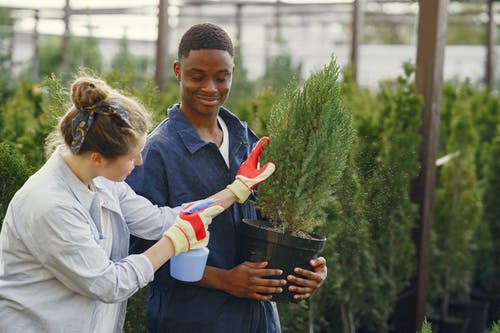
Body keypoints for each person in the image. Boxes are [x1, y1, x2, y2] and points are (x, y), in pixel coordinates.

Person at [0, 75, 275, 333]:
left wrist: (235, 190)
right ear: (97, 157)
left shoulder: (101, 181)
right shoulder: (50, 205)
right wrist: (172, 243)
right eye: (132, 157)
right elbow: (109, 283)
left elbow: (160, 220)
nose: (140, 162)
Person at [126, 22, 327, 332]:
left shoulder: (248, 141)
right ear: (178, 70)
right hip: (191, 321)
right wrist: (227, 281)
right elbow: (139, 253)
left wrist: (306, 268)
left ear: (233, 71)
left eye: (222, 77)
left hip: (258, 320)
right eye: (197, 76)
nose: (210, 88)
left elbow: (275, 220)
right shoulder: (157, 152)